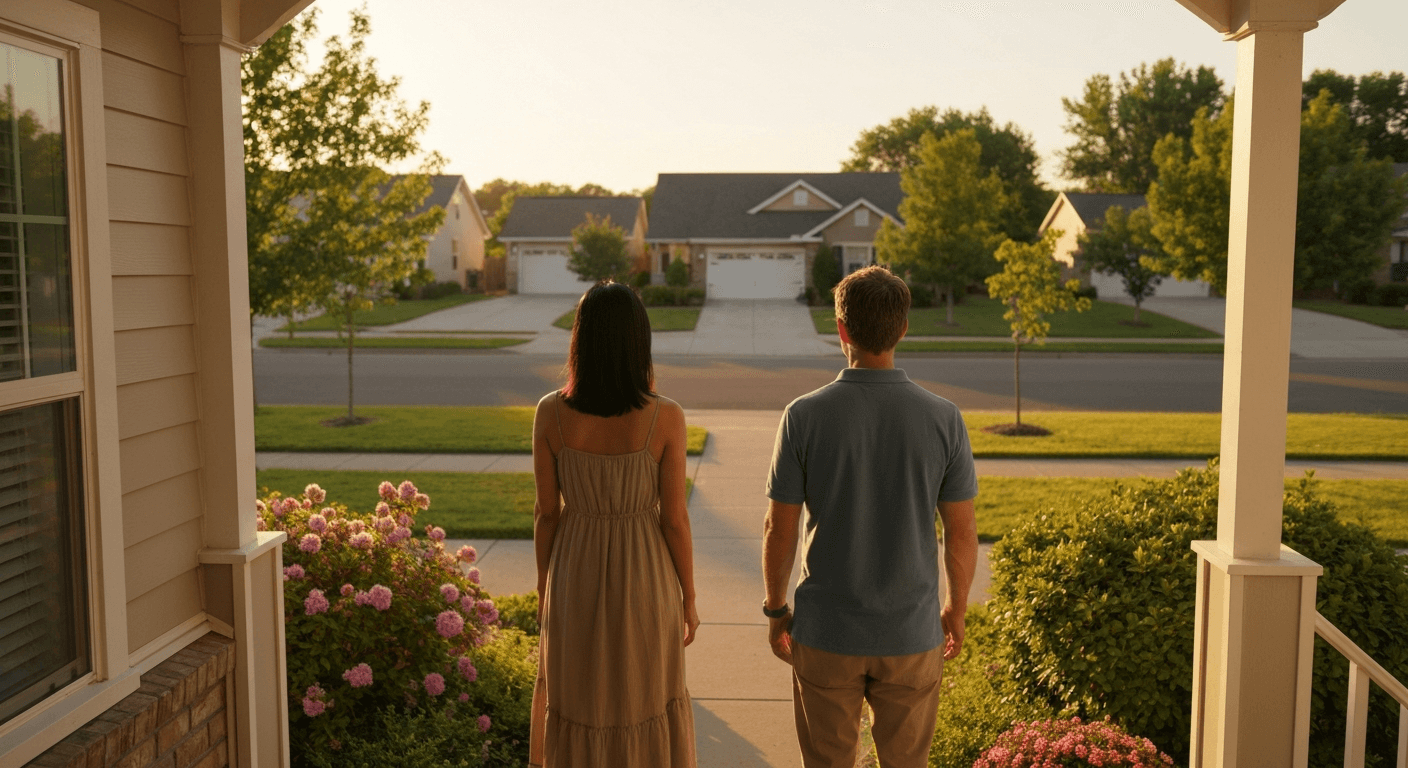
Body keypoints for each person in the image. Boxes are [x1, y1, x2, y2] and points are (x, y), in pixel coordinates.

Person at [761, 265, 979, 767]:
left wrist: (776, 611)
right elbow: (962, 532)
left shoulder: (804, 415)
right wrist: (955, 609)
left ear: (841, 329)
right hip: (910, 633)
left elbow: (780, 527)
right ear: (903, 328)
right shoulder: (944, 418)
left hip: (825, 631)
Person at [529, 280, 699, 768]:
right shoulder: (666, 416)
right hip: (645, 573)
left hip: (573, 569)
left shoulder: (550, 413)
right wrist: (689, 595)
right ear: (638, 342)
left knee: (577, 699)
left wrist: (545, 583)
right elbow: (675, 520)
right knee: (644, 697)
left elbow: (546, 512)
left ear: (580, 339)